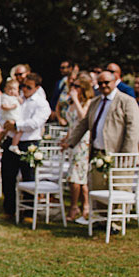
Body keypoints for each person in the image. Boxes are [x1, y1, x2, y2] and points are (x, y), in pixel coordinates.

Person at [65, 69, 139, 194]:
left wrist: (125, 155)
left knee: (119, 192)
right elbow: (84, 124)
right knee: (99, 191)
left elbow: (133, 131)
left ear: (114, 82)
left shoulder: (126, 101)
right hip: (98, 154)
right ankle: (100, 214)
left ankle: (119, 213)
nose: (103, 86)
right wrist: (70, 142)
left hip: (118, 154)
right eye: (100, 83)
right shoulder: (96, 102)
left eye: (106, 82)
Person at [1, 73, 51, 218]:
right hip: (11, 140)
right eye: (23, 86)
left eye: (28, 87)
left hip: (29, 143)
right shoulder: (17, 98)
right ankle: (10, 209)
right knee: (8, 175)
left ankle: (29, 211)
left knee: (28, 177)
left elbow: (36, 122)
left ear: (37, 88)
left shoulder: (41, 103)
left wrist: (16, 125)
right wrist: (6, 125)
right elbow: (3, 114)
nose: (25, 89)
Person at [60, 73, 94, 222]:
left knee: (75, 176)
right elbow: (71, 124)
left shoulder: (88, 102)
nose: (73, 89)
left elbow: (83, 119)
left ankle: (75, 206)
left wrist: (75, 99)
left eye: (76, 87)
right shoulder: (72, 102)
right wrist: (66, 138)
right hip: (73, 141)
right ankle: (85, 205)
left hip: (83, 142)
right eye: (72, 86)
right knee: (79, 177)